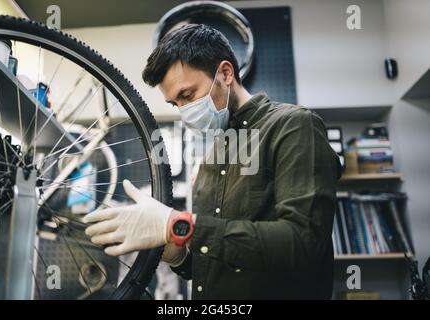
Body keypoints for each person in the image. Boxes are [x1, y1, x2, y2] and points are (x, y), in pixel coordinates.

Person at [84, 24, 342, 299]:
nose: (184, 112)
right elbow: (212, 264)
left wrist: (178, 224)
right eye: (175, 104)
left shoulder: (294, 126)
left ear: (226, 73)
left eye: (187, 95)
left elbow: (304, 243)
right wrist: (175, 250)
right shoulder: (212, 159)